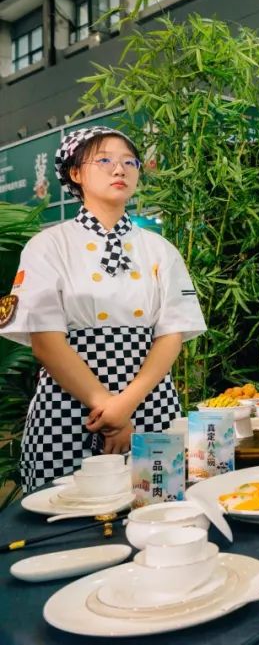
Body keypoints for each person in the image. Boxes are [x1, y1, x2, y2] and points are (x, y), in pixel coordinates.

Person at [0, 126, 206, 491]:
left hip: (150, 402)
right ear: (75, 173)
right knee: (64, 511)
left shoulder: (160, 249)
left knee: (156, 508)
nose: (120, 169)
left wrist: (125, 404)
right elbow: (46, 342)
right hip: (67, 408)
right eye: (105, 160)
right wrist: (107, 406)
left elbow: (171, 334)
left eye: (130, 162)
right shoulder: (48, 245)